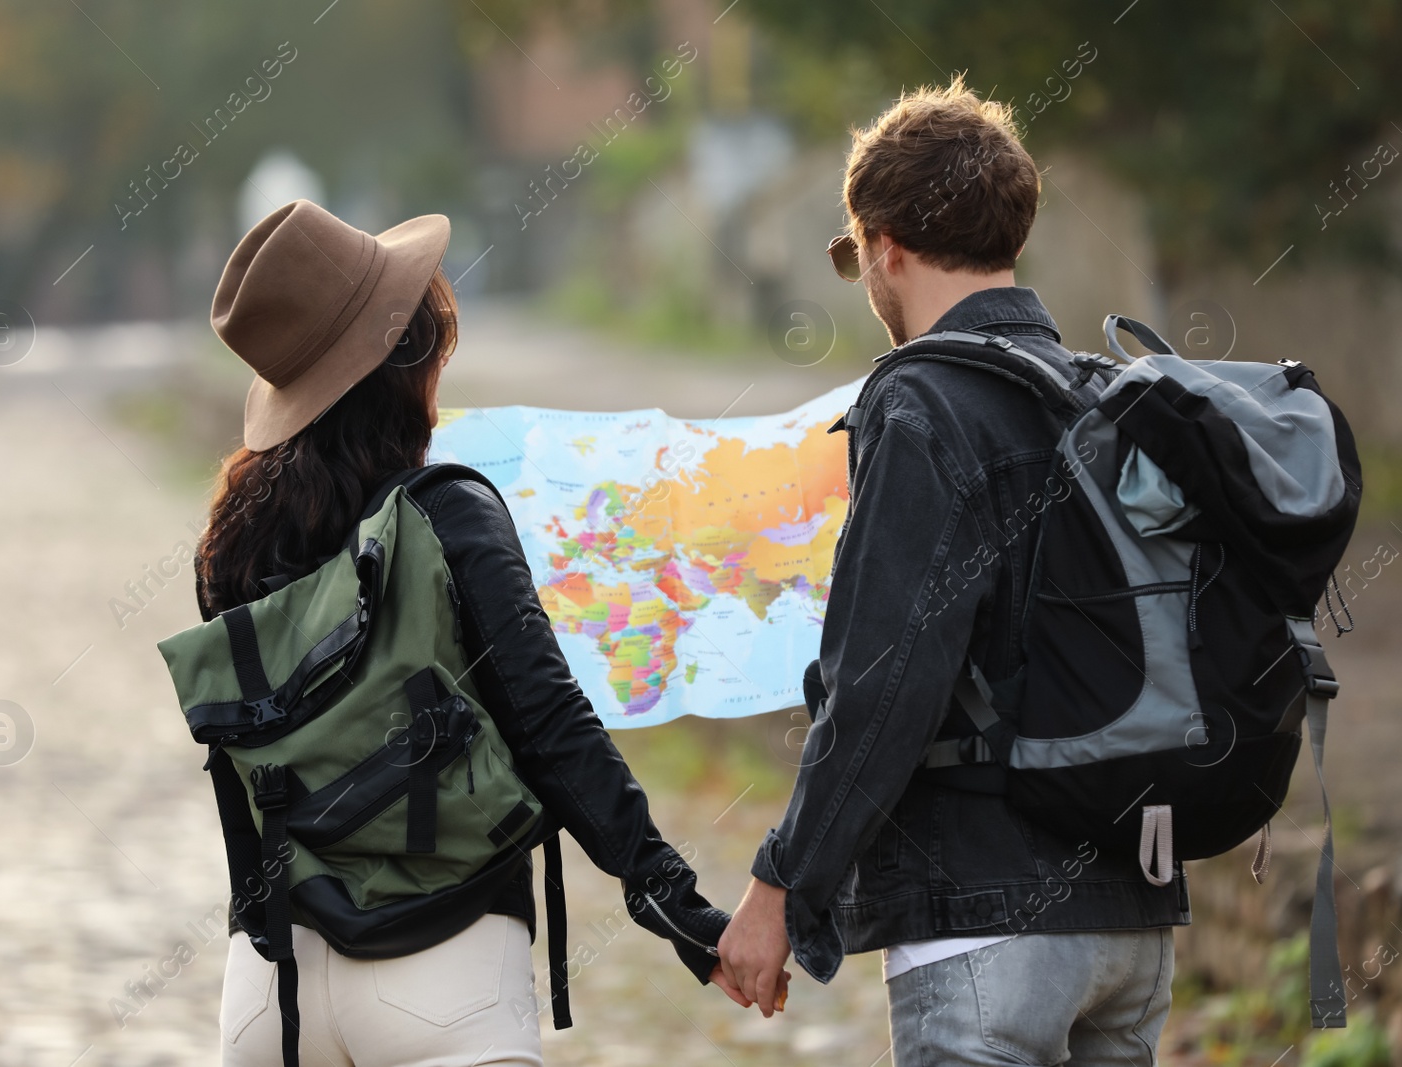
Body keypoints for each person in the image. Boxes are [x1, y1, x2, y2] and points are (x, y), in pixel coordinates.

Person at [194, 200, 739, 1066]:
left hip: (270, 990)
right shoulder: (450, 510)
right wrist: (671, 899)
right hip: (441, 973)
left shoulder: (230, 541)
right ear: (408, 361)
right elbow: (548, 723)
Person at [716, 78, 1189, 1064]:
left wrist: (780, 885)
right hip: (1132, 920)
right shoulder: (1097, 393)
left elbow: (886, 683)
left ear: (884, 242)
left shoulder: (924, 404)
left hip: (985, 930)